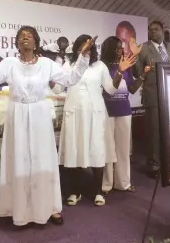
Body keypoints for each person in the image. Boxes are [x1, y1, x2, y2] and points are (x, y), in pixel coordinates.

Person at [0, 26, 97, 226]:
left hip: (39, 114)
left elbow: (70, 79)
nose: (25, 39)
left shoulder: (47, 64)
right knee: (20, 161)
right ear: (17, 43)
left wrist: (82, 57)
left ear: (36, 42)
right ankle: (20, 210)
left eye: (29, 36)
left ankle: (49, 208)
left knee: (43, 160)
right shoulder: (10, 63)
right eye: (21, 36)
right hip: (18, 115)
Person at [54, 34, 136, 207]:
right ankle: (75, 192)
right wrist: (47, 77)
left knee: (97, 150)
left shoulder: (100, 66)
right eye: (83, 47)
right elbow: (57, 88)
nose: (86, 50)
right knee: (74, 151)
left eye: (90, 48)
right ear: (77, 48)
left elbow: (110, 90)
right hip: (74, 114)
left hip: (96, 114)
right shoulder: (68, 65)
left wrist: (120, 72)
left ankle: (98, 191)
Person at [100, 36, 150, 194]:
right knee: (108, 150)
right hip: (106, 112)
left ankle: (123, 183)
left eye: (121, 47)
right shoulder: (102, 67)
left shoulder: (126, 66)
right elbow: (105, 92)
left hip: (124, 112)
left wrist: (143, 74)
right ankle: (106, 185)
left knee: (123, 150)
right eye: (116, 48)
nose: (120, 50)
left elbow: (133, 89)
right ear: (108, 49)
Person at [133, 20, 170, 178]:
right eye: (150, 30)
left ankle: (167, 163)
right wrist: (134, 56)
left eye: (156, 29)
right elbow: (137, 72)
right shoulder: (143, 48)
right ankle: (154, 166)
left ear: (163, 30)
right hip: (152, 96)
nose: (153, 32)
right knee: (154, 132)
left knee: (169, 131)